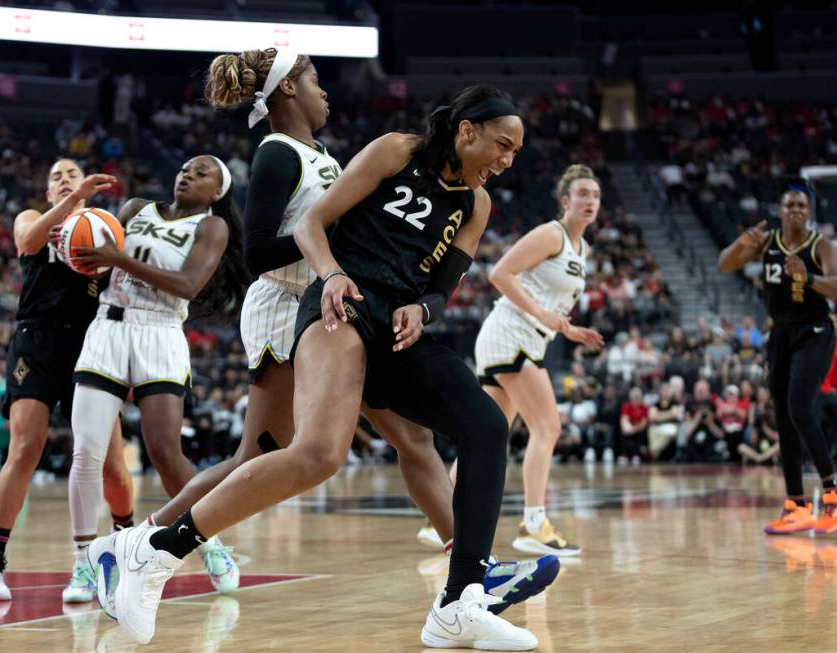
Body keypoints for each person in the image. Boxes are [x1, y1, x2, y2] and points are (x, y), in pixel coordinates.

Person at [101, 86, 542, 649]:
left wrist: (424, 307)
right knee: (317, 454)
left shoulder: (476, 205)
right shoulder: (396, 151)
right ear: (466, 131)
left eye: (515, 155)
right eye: (501, 146)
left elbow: (442, 288)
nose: (506, 162)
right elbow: (312, 226)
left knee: (483, 425)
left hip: (397, 328)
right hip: (342, 305)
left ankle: (459, 601)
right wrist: (332, 275)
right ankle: (157, 551)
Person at [66, 154, 251, 596]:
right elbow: (101, 258)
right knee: (87, 452)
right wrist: (77, 251)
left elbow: (188, 285)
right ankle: (83, 564)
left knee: (166, 453)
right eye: (185, 168)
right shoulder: (133, 208)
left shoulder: (212, 228)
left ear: (218, 192)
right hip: (109, 326)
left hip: (162, 332)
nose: (187, 174)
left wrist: (117, 258)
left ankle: (209, 542)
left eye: (201, 172)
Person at [0, 160, 134, 603]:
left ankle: (124, 551)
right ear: (48, 193)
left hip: (91, 343)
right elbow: (26, 239)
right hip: (36, 340)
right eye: (56, 176)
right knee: (25, 449)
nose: (63, 178)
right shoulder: (32, 220)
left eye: (71, 173)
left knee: (110, 463)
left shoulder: (104, 229)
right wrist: (72, 198)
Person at [472, 163, 605, 556]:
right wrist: (541, 315)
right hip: (509, 333)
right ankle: (533, 524)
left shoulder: (585, 250)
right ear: (565, 200)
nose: (589, 202)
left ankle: (439, 515)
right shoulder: (552, 234)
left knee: (489, 435)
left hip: (527, 338)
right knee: (548, 426)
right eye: (582, 194)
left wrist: (568, 329)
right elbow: (500, 273)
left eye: (595, 196)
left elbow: (551, 305)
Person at [718, 180, 837, 534]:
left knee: (799, 407)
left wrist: (808, 278)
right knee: (783, 415)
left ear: (809, 211)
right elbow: (723, 264)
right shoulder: (766, 243)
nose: (795, 211)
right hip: (780, 333)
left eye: (801, 206)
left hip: (815, 331)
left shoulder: (820, 245)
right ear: (780, 209)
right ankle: (797, 504)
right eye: (789, 205)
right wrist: (740, 244)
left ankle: (835, 496)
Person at [817, 313, 837, 455]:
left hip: (828, 391)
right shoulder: (816, 342)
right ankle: (806, 460)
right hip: (813, 391)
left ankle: (826, 452)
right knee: (812, 426)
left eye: (834, 322)